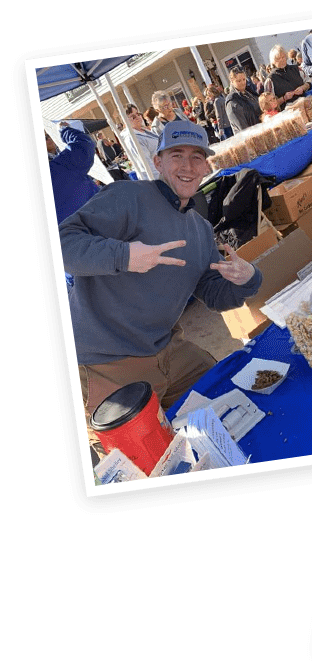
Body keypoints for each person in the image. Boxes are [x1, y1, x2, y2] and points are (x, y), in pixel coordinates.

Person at [59, 120, 262, 460]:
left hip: (169, 349)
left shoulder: (199, 228)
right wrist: (124, 256)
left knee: (231, 400)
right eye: (176, 155)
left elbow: (212, 294)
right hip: (106, 364)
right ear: (158, 162)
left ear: (207, 166)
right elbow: (62, 244)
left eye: (197, 157)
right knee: (143, 461)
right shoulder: (127, 196)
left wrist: (247, 278)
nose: (187, 166)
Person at [47, 122, 99, 223]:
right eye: (45, 137)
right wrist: (64, 129)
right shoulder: (60, 166)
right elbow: (84, 144)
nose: (50, 139)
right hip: (95, 218)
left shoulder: (59, 163)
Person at [123, 105, 161, 178]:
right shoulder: (132, 138)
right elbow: (146, 164)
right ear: (126, 121)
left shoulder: (144, 130)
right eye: (133, 117)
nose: (138, 118)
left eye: (138, 114)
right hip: (158, 177)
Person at [225, 68, 262, 133]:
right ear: (232, 81)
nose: (242, 83)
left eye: (244, 79)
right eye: (239, 81)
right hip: (252, 135)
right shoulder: (232, 102)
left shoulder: (250, 92)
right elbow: (243, 129)